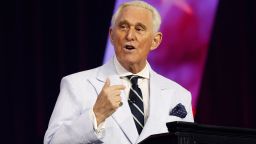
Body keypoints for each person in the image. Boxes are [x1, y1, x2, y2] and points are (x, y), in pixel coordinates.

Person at [44, 1, 194, 144]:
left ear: (155, 41)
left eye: (139, 29)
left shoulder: (179, 94)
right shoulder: (77, 84)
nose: (130, 36)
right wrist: (96, 115)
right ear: (112, 35)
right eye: (123, 27)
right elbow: (52, 141)